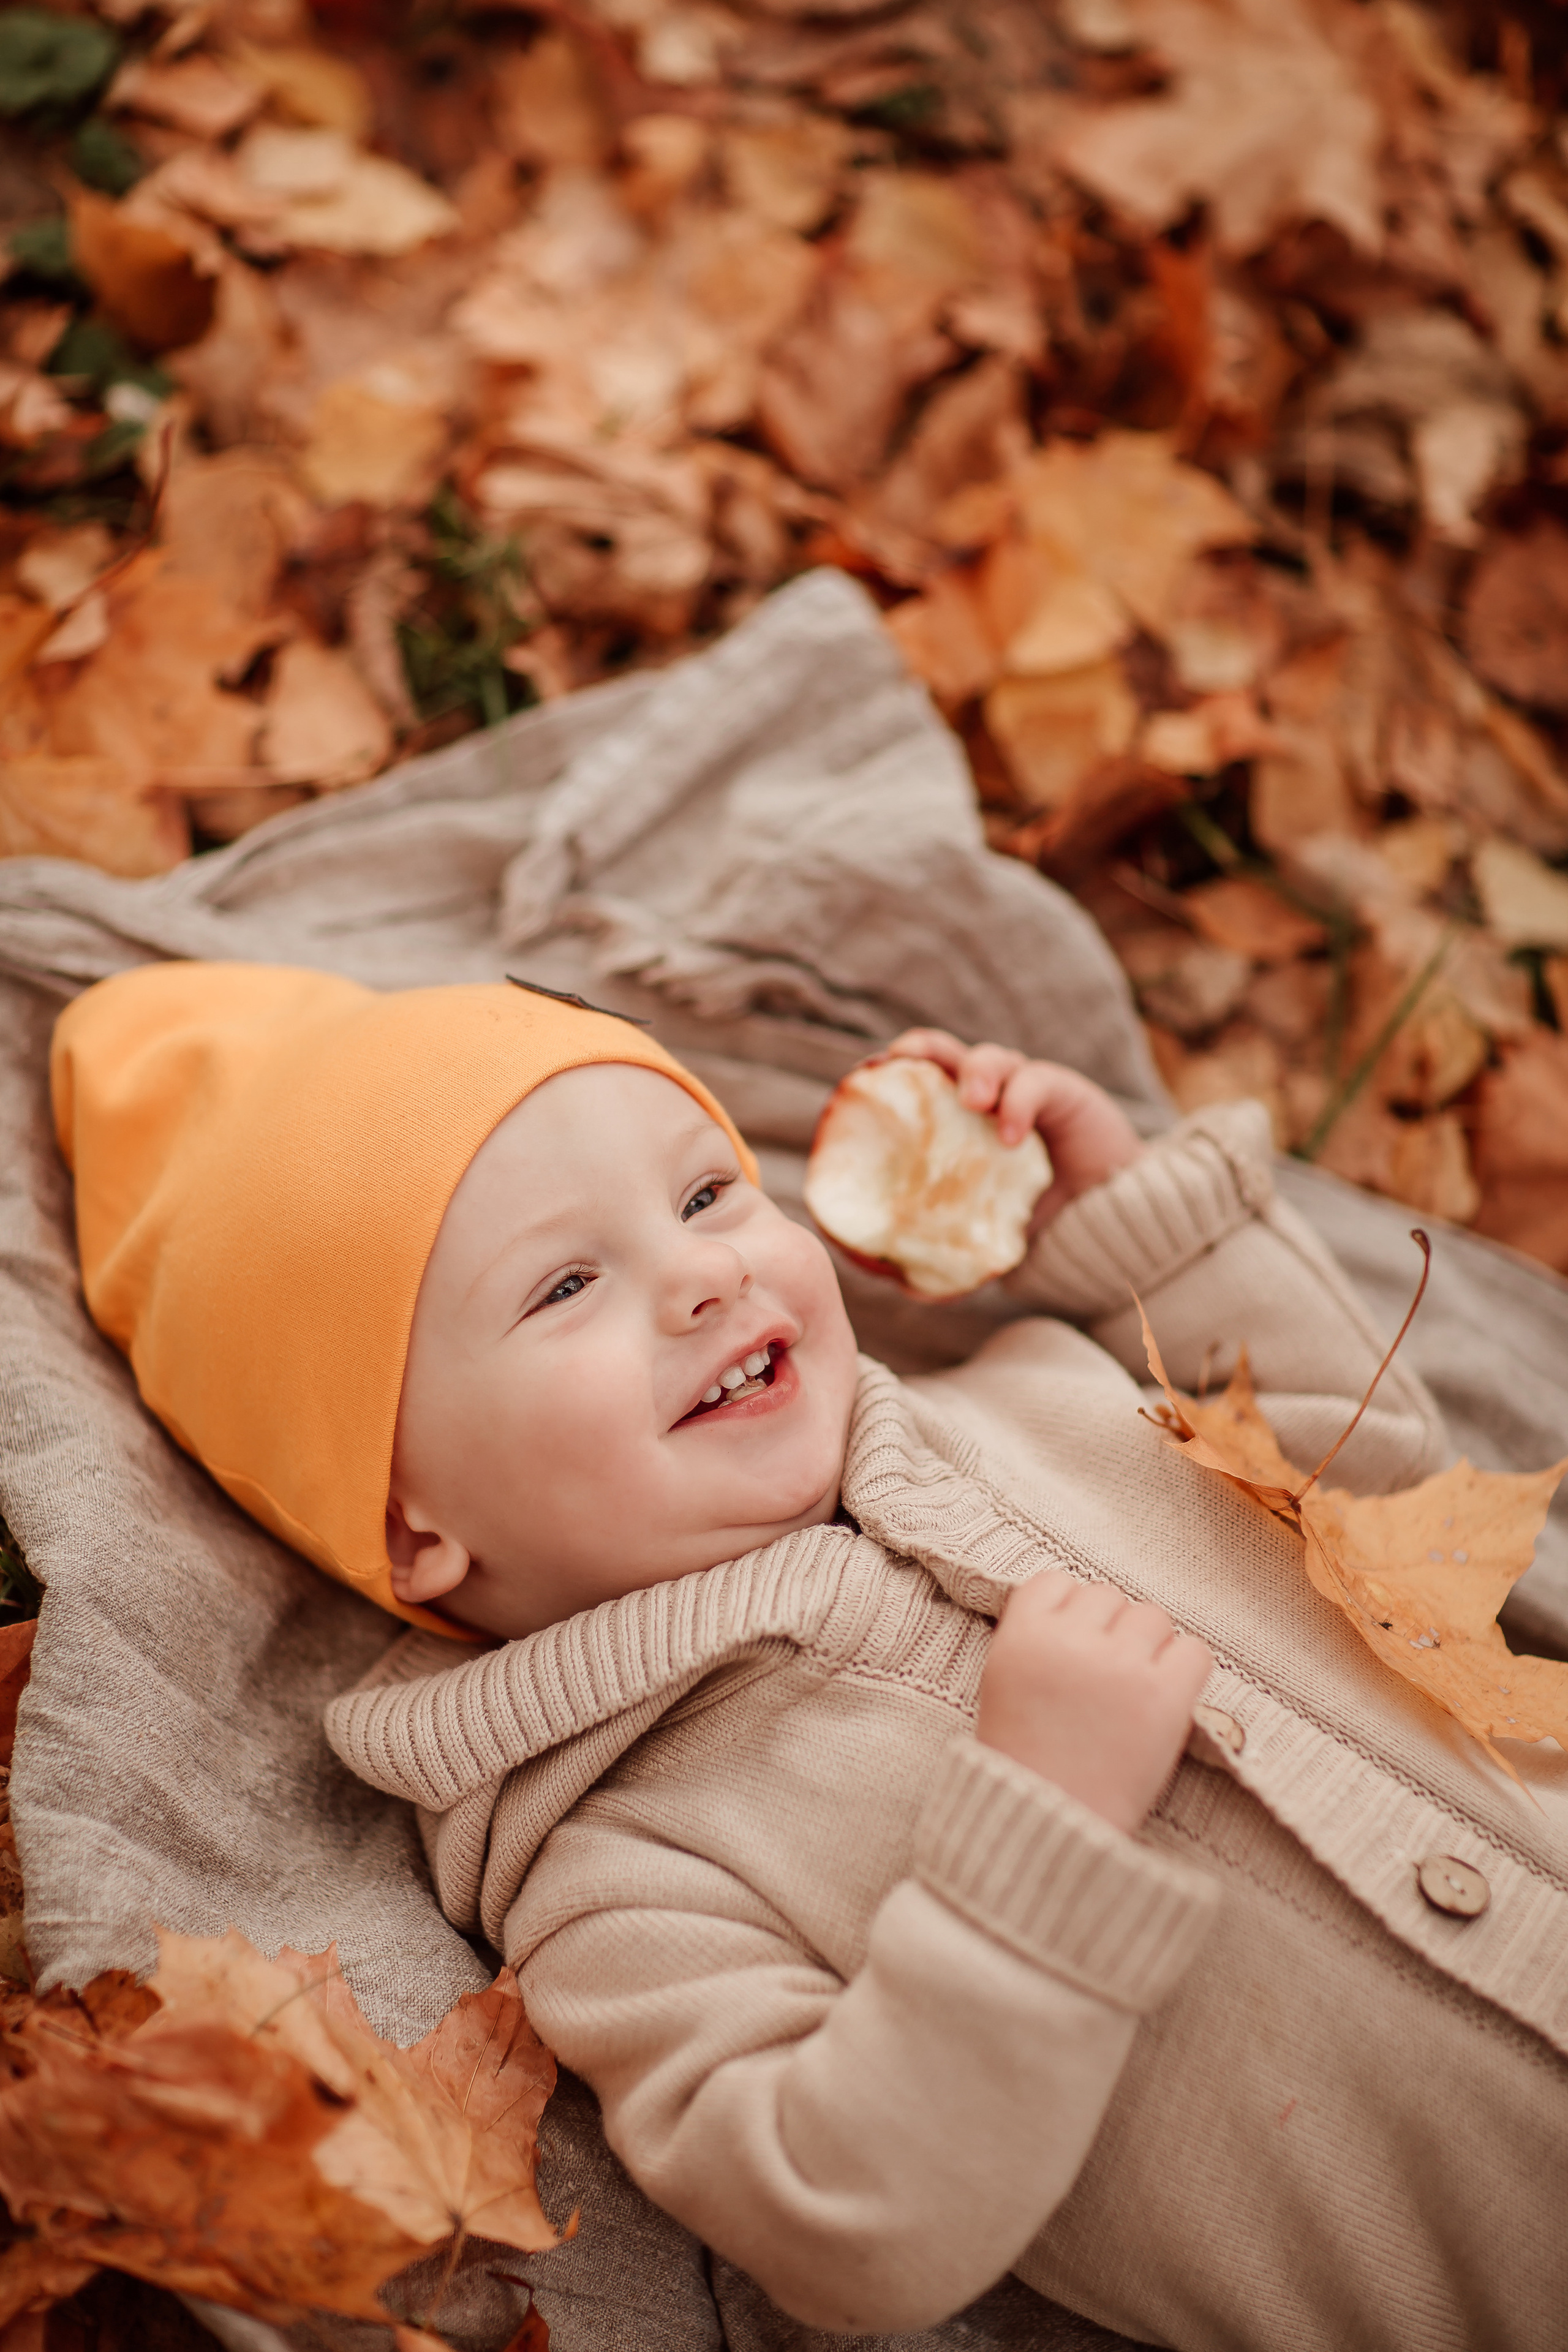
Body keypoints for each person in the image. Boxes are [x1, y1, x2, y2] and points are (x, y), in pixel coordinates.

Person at [53, 963, 1568, 2352]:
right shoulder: (619, 1866)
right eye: (563, 1286)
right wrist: (1035, 1839)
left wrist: (1142, 1230)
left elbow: (1367, 1478)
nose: (704, 1275)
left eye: (710, 1192)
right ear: (413, 1525)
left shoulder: (1035, 1395)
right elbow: (846, 2231)